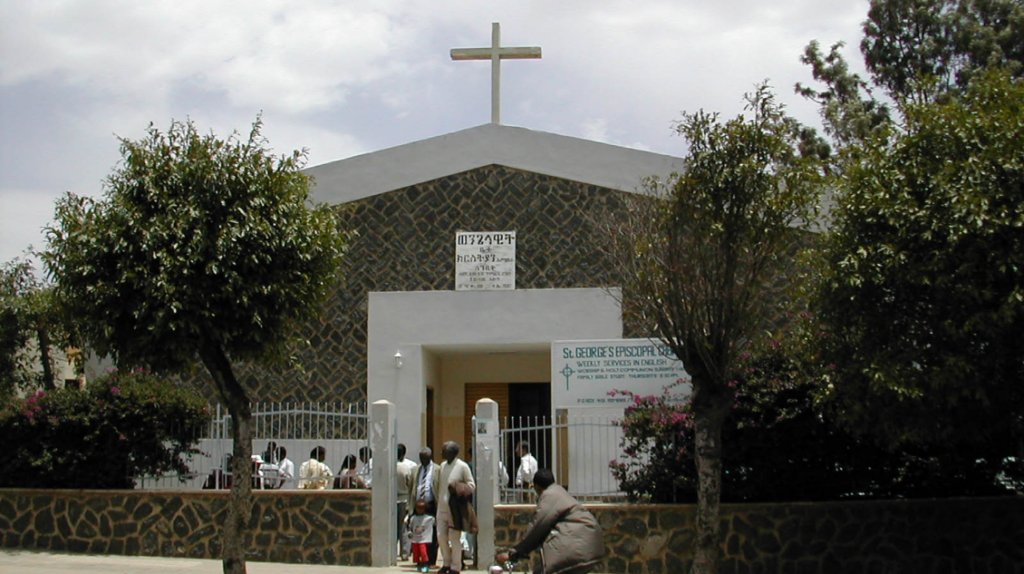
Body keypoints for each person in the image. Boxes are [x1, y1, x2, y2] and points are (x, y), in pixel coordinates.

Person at [496, 468, 604, 574]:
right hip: (592, 546)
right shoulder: (560, 492)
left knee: (540, 571)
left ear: (536, 487)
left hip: (578, 549)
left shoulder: (549, 496)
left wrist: (514, 553)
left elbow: (537, 528)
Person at [434, 441, 475, 574]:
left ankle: (455, 566)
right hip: (441, 507)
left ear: (452, 452)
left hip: (455, 509)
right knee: (441, 536)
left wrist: (458, 488)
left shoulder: (463, 466)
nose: (442, 452)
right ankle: (446, 562)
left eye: (444, 450)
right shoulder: (442, 466)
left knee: (454, 538)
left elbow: (471, 486)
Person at [414, 447, 439, 567]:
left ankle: (431, 559)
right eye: (421, 458)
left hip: (431, 505)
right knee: (419, 533)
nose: (422, 460)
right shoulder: (416, 470)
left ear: (430, 457)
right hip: (418, 506)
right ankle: (420, 559)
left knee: (432, 534)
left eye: (425, 458)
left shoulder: (437, 469)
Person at [397, 443, 418, 560]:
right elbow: (410, 484)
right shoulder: (408, 467)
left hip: (393, 500)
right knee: (404, 527)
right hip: (405, 499)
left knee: (393, 528)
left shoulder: (390, 466)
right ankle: (405, 553)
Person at [408, 499, 436, 573]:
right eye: (418, 508)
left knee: (423, 551)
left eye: (422, 508)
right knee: (416, 553)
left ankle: (425, 564)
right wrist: (409, 533)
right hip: (415, 539)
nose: (420, 510)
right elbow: (410, 527)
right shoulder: (413, 518)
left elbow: (435, 523)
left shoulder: (429, 518)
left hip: (424, 539)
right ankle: (419, 564)